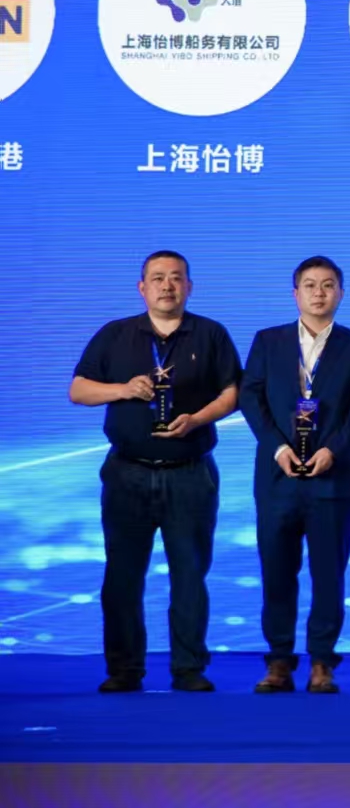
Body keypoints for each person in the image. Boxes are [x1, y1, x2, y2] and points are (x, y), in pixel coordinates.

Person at [70, 250, 241, 693]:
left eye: (176, 278)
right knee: (122, 577)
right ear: (142, 288)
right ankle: (124, 670)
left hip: (190, 473)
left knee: (190, 575)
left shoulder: (211, 333)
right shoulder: (116, 334)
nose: (168, 285)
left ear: (189, 287)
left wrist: (198, 419)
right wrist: (123, 389)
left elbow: (232, 393)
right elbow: (78, 390)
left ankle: (189, 669)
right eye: (158, 278)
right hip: (127, 474)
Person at [240, 256, 350, 694]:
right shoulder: (268, 341)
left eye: (328, 285)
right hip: (278, 477)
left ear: (341, 293)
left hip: (333, 479)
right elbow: (251, 398)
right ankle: (279, 662)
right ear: (295, 293)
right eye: (310, 285)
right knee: (276, 572)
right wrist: (278, 448)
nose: (319, 293)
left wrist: (331, 449)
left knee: (329, 574)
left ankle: (322, 662)